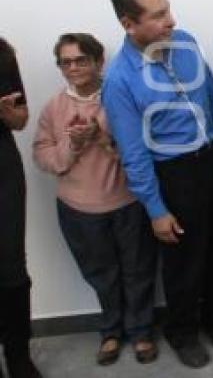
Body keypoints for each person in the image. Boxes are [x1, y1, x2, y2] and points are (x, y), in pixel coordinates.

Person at [101, 0, 213, 369]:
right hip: (172, 174)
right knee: (183, 262)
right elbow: (132, 152)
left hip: (210, 159)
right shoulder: (119, 80)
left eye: (168, 9)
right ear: (129, 23)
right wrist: (156, 209)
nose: (171, 20)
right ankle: (182, 332)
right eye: (159, 15)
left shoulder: (187, 43)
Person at [33, 33, 158, 366]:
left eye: (81, 59)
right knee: (102, 273)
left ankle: (142, 330)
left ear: (98, 61)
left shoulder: (120, 95)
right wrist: (72, 146)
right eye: (66, 62)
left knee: (138, 269)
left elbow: (147, 147)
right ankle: (111, 332)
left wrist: (103, 139)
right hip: (78, 209)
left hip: (128, 202)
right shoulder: (53, 108)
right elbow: (43, 158)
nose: (73, 67)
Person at [0, 37, 42, 378]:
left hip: (2, 174)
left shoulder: (2, 54)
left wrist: (13, 115)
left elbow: (21, 119)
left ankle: (18, 355)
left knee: (11, 267)